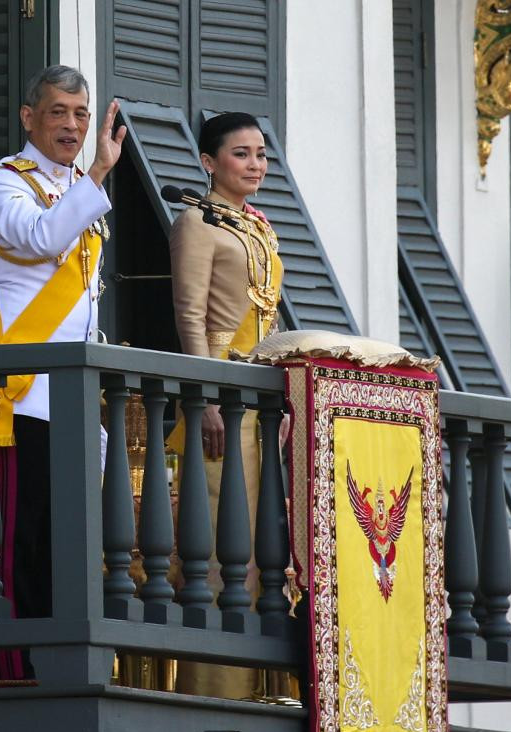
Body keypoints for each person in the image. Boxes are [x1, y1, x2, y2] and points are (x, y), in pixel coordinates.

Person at [0, 65, 125, 679]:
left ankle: (65, 667)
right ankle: (18, 673)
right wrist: (101, 173)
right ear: (29, 117)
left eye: (81, 114)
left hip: (73, 398)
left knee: (67, 549)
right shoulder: (3, 184)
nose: (72, 125)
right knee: (21, 547)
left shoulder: (79, 186)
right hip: (22, 393)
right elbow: (37, 239)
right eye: (58, 111)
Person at [167, 111, 284, 699]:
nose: (256, 165)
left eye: (261, 154)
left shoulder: (258, 226)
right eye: (242, 154)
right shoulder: (196, 223)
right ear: (210, 163)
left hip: (261, 402)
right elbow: (190, 317)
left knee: (266, 548)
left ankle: (265, 682)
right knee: (217, 546)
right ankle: (215, 689)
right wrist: (205, 395)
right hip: (219, 400)